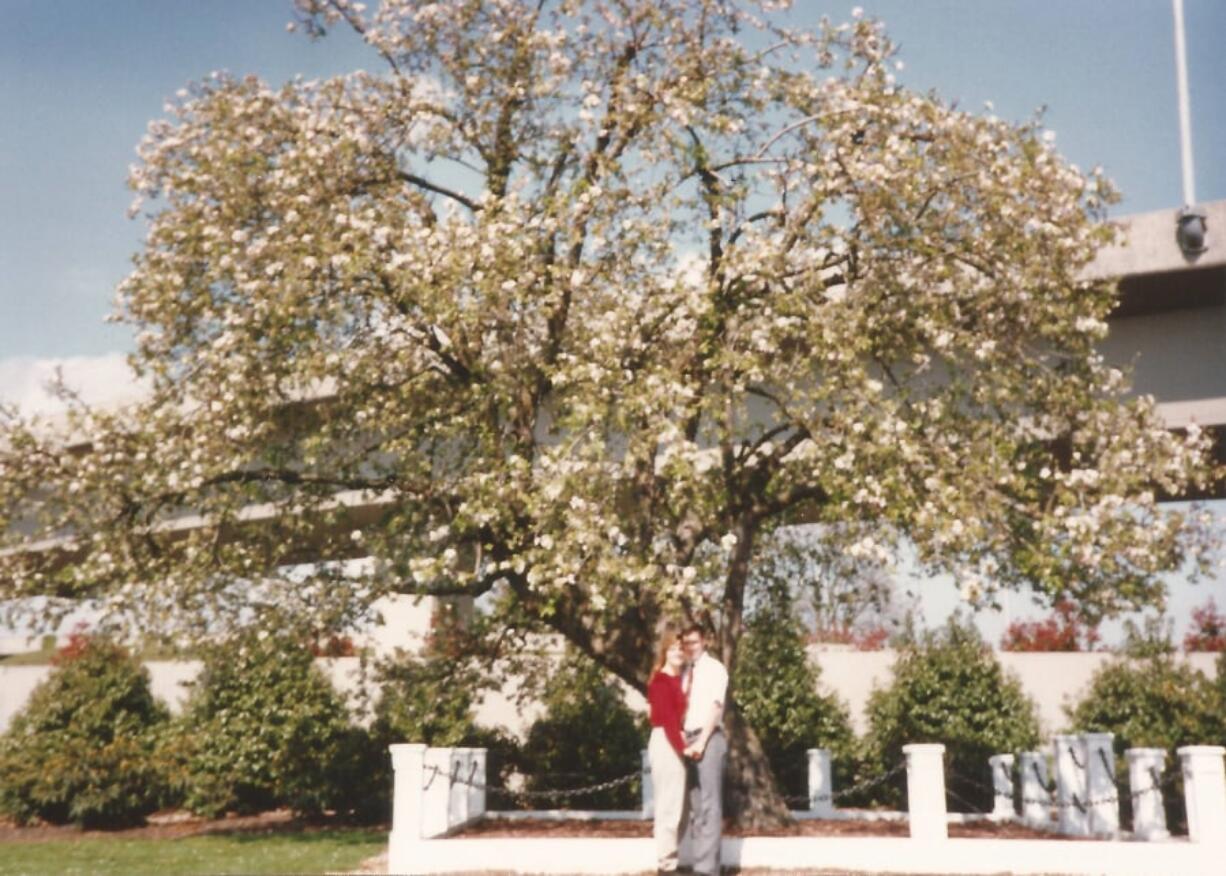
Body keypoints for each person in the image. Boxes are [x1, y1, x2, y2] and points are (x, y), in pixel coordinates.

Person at [681, 623, 728, 876]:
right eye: (686, 643)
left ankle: (707, 870)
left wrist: (702, 742)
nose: (690, 648)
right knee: (695, 804)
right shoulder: (685, 672)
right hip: (687, 738)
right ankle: (700, 862)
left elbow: (715, 707)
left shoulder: (714, 669)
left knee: (710, 804)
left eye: (694, 643)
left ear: (705, 642)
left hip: (708, 738)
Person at [647, 626, 689, 874]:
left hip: (675, 740)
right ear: (665, 650)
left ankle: (672, 860)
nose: (677, 652)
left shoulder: (679, 679)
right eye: (672, 648)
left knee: (679, 808)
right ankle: (666, 866)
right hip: (667, 742)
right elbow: (669, 722)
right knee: (669, 807)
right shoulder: (662, 681)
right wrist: (685, 749)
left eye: (681, 648)